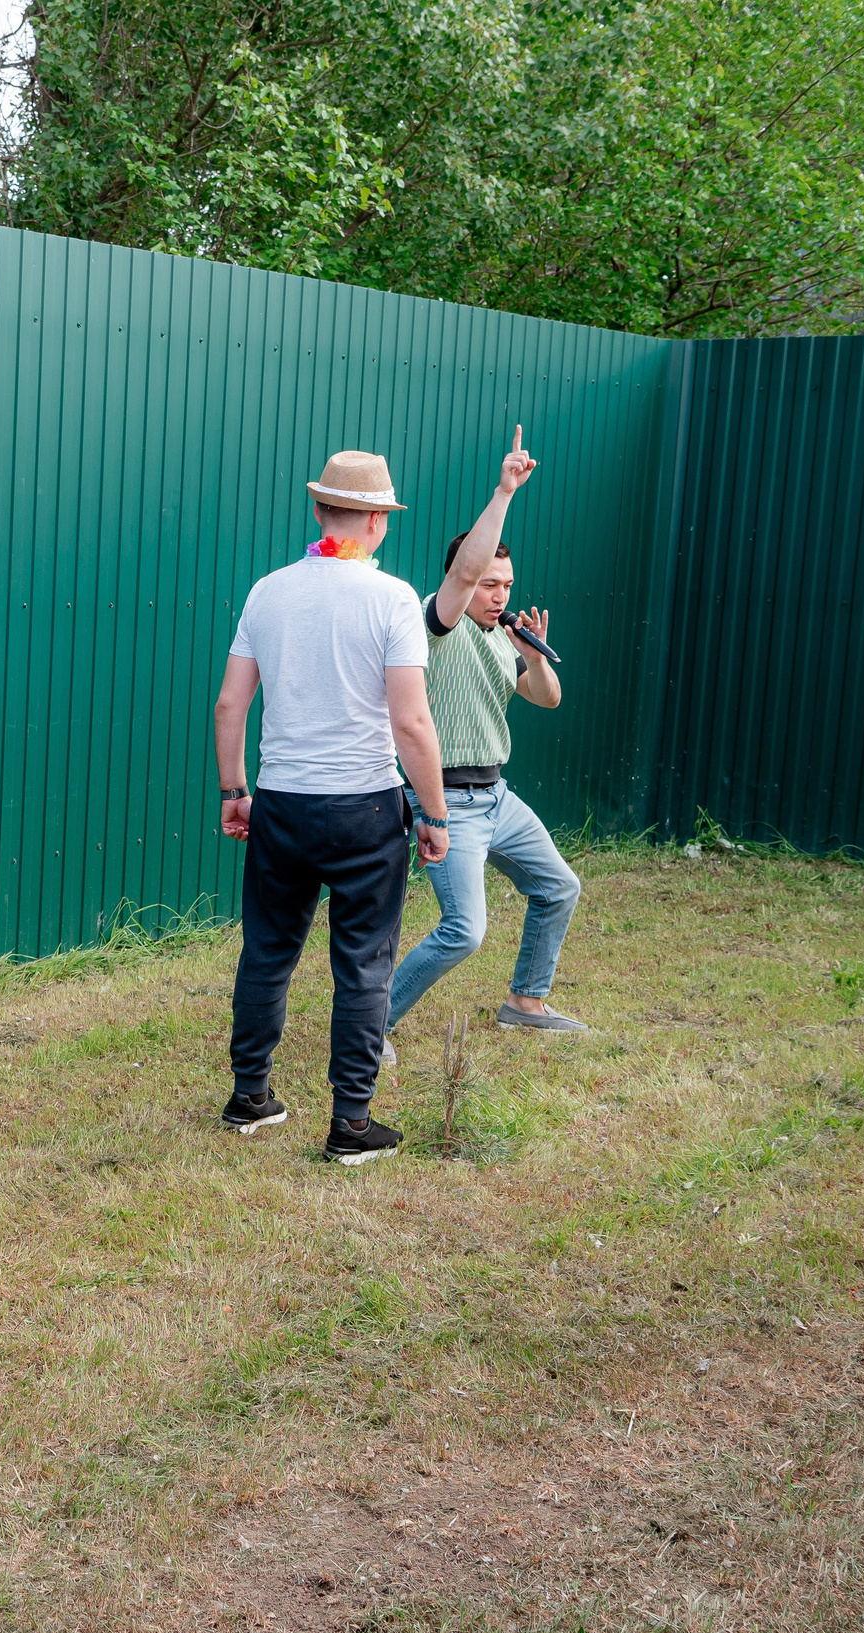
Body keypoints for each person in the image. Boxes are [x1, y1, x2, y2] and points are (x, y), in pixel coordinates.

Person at [212, 450, 449, 1165]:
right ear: (378, 521)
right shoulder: (394, 599)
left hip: (281, 801)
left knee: (268, 951)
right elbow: (411, 723)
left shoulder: (268, 591)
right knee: (363, 964)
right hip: (366, 810)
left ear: (320, 512)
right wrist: (435, 813)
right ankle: (350, 1122)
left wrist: (234, 790)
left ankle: (250, 1094)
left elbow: (230, 702)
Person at [387, 427, 584, 1036]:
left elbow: (547, 699)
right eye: (488, 583)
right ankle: (372, 1023)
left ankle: (525, 1003)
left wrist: (533, 655)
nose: (499, 595)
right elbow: (468, 571)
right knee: (464, 931)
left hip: (496, 796)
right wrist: (505, 491)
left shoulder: (503, 635)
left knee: (559, 887)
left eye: (507, 585)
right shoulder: (435, 620)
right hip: (446, 800)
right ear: (463, 578)